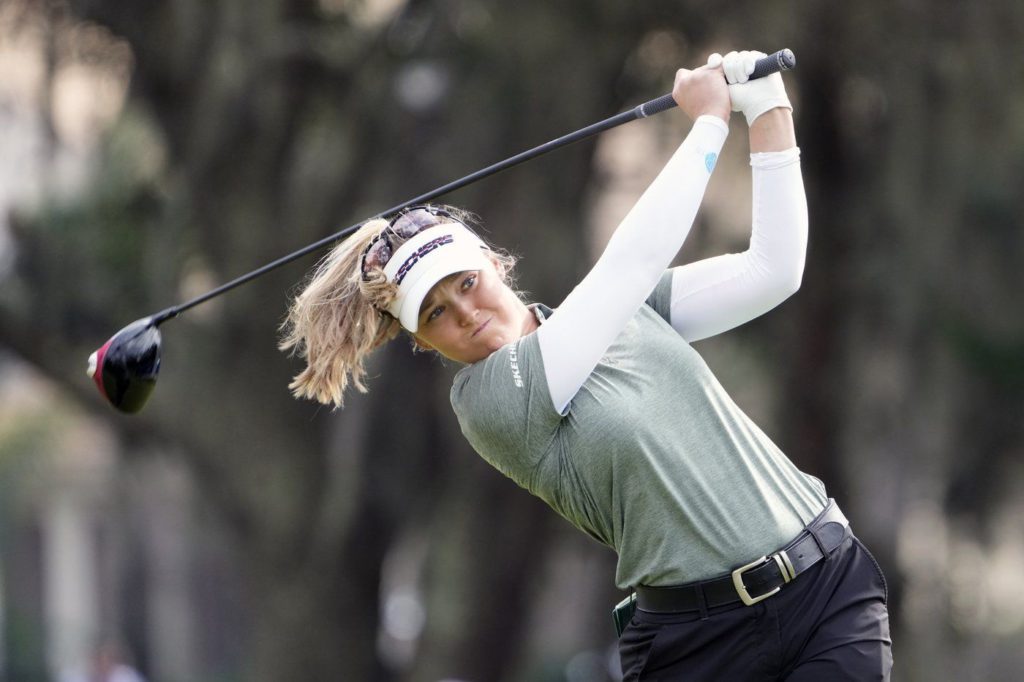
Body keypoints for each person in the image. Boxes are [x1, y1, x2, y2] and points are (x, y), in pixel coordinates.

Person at [280, 50, 893, 681]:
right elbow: (627, 264)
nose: (462, 312)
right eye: (434, 314)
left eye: (465, 282)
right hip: (698, 648)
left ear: (494, 262)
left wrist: (767, 106)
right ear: (420, 341)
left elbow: (774, 270)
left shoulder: (626, 313)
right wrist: (708, 124)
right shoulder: (488, 404)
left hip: (827, 590)